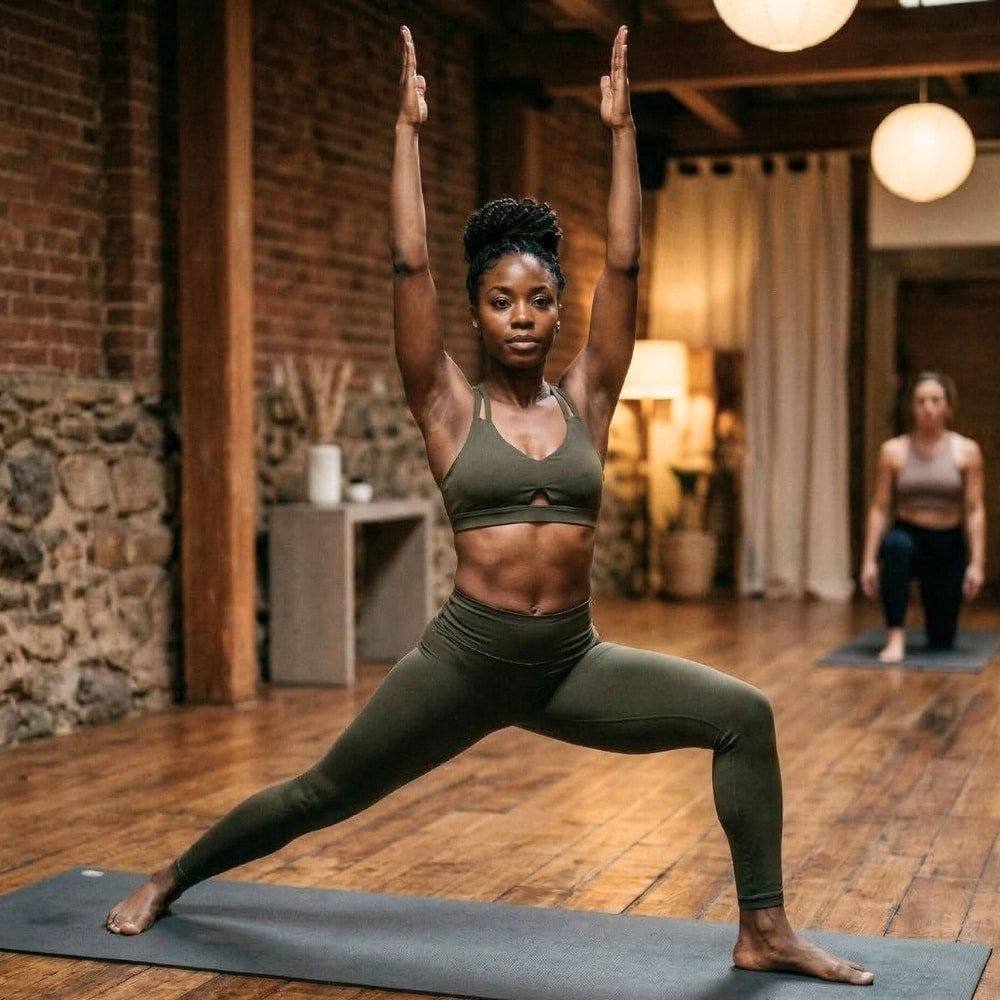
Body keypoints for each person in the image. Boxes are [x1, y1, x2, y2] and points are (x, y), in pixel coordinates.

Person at [106, 25, 873, 987]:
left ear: (558, 310)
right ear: (477, 311)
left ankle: (763, 926)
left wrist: (624, 131)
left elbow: (628, 270)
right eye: (503, 300)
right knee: (323, 792)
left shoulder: (589, 396)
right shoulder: (445, 404)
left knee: (744, 715)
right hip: (465, 662)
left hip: (569, 662)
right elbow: (405, 266)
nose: (523, 315)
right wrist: (405, 131)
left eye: (541, 299)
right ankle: (176, 875)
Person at [860, 371, 985, 663]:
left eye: (935, 400)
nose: (928, 407)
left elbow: (975, 509)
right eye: (920, 401)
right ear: (912, 407)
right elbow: (879, 507)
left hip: (947, 543)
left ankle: (939, 623)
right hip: (908, 536)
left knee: (942, 642)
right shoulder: (893, 451)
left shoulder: (967, 451)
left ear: (948, 407)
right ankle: (895, 635)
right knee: (896, 546)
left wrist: (977, 565)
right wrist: (867, 561)